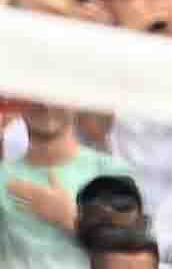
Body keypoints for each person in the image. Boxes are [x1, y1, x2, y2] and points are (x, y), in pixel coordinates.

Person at [0, 100, 133, 267]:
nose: (46, 104)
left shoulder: (112, 172)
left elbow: (132, 260)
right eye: (35, 94)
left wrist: (74, 219)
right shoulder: (3, 176)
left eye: (54, 95)